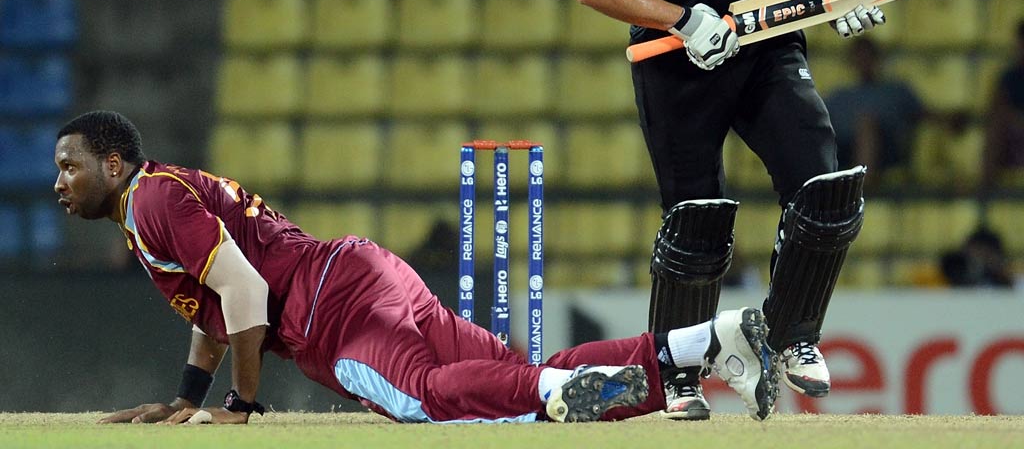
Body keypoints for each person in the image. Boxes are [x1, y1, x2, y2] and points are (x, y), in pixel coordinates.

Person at [53, 110, 779, 425]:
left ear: (113, 164)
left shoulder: (150, 201)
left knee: (426, 400)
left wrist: (241, 407)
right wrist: (188, 393)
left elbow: (241, 289)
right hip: (366, 272)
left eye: (70, 166)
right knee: (519, 383)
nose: (60, 182)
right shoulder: (155, 200)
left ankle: (561, 389)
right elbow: (217, 305)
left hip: (331, 314)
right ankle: (710, 343)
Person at [575, 0, 885, 420]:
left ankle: (791, 333)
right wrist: (685, 21)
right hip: (677, 60)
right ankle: (677, 377)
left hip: (759, 42)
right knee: (698, 223)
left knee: (826, 188)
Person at [824, 37, 924, 175]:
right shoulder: (839, 96)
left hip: (887, 151)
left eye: (868, 57)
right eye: (859, 58)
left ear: (877, 58)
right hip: (844, 150)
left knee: (867, 126)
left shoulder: (896, 91)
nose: (864, 62)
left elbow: (923, 115)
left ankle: (862, 187)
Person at [981, 19, 1024, 192]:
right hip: (1015, 139)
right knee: (998, 126)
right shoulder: (1009, 79)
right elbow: (997, 111)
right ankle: (985, 190)